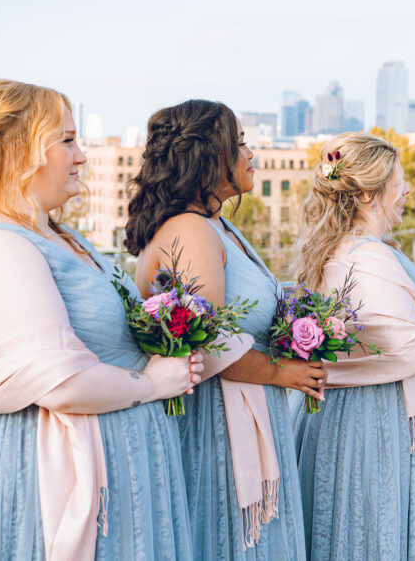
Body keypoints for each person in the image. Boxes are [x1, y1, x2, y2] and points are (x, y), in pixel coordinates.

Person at [0, 79, 200, 560]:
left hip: (108, 476)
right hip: (28, 481)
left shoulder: (64, 237)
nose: (81, 156)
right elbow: (59, 382)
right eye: (67, 140)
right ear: (21, 152)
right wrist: (151, 383)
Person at [126, 100, 323, 559]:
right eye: (240, 144)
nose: (251, 154)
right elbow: (209, 341)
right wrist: (283, 372)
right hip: (217, 430)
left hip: (245, 414)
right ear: (207, 157)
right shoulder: (191, 229)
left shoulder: (218, 225)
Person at [290, 132, 415, 560]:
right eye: (398, 182)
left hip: (348, 413)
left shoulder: (346, 249)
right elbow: (397, 343)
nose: (406, 191)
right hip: (379, 418)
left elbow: (378, 328)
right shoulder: (367, 256)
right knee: (379, 525)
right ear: (368, 194)